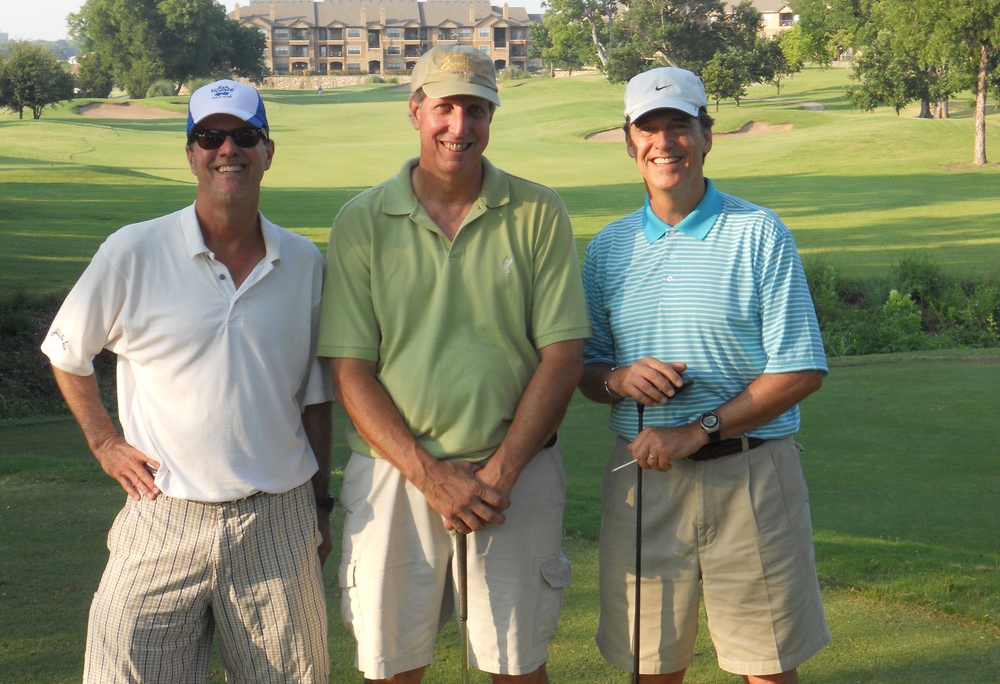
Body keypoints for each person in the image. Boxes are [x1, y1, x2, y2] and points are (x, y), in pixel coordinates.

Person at [41, 79, 334, 684]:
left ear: (268, 151)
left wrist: (320, 507)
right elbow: (67, 351)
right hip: (161, 512)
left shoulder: (304, 261)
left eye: (245, 136)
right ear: (191, 154)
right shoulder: (133, 250)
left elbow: (314, 400)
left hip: (277, 519)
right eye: (209, 137)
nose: (228, 149)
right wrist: (104, 441)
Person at [317, 44, 590, 684]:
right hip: (393, 476)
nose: (459, 127)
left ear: (492, 116)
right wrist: (430, 475)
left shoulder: (538, 210)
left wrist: (501, 471)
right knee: (390, 669)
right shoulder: (362, 221)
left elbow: (563, 356)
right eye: (444, 108)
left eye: (476, 110)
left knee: (517, 668)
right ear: (416, 111)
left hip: (515, 476)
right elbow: (350, 370)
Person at [579, 66, 830, 684]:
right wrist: (618, 380)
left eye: (679, 126)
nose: (664, 142)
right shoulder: (607, 248)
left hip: (750, 474)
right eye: (648, 129)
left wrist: (697, 430)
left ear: (706, 136)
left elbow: (800, 368)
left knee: (766, 668)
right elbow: (587, 371)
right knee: (651, 667)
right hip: (644, 480)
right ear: (629, 142)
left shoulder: (759, 232)